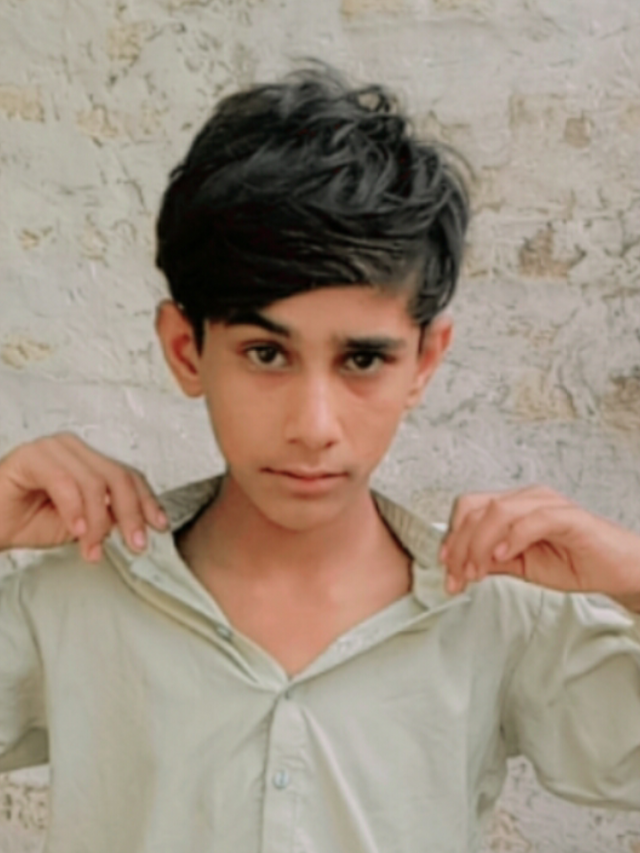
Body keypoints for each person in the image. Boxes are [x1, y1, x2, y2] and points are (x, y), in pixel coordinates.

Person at [1, 64, 639, 853]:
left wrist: (633, 574)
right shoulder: (72, 597)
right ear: (186, 349)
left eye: (362, 360)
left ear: (425, 361)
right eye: (266, 353)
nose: (313, 425)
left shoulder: (495, 613)